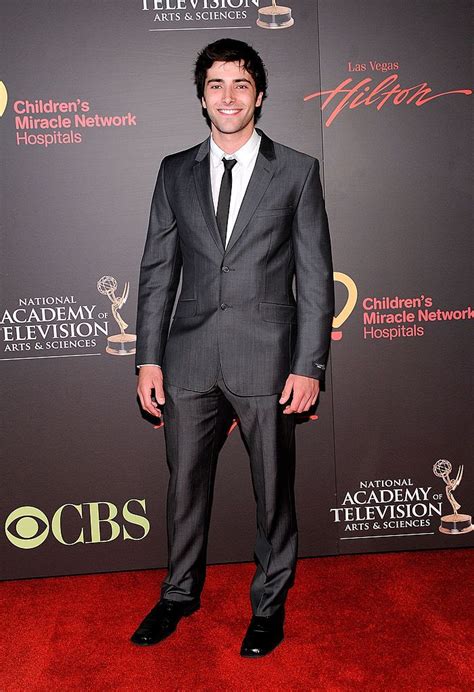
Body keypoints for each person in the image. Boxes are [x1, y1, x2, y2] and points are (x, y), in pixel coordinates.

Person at [131, 38, 334, 657]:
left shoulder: (297, 170)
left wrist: (308, 364)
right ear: (201, 97)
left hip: (268, 360)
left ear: (260, 96)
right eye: (216, 85)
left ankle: (268, 606)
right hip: (189, 356)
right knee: (184, 487)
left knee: (274, 492)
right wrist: (148, 357)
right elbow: (158, 270)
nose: (228, 96)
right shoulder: (173, 170)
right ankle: (178, 595)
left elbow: (316, 275)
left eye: (241, 85)